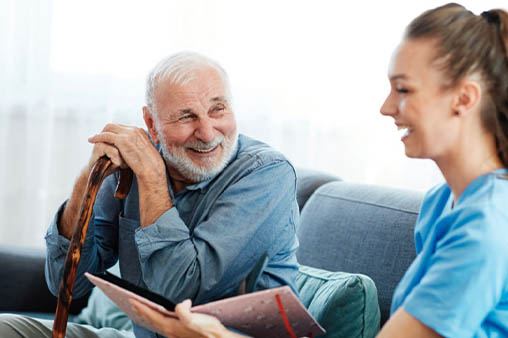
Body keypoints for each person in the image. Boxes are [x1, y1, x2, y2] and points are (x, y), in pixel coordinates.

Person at [128, 3, 508, 337]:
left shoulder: (485, 227)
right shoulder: (443, 203)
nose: (386, 107)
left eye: (404, 90)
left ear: (464, 98)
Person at [0, 52, 300, 338]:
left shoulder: (266, 174)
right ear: (152, 125)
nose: (208, 133)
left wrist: (152, 177)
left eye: (217, 109)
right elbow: (66, 281)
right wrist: (88, 176)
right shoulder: (134, 165)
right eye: (186, 117)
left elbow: (180, 293)